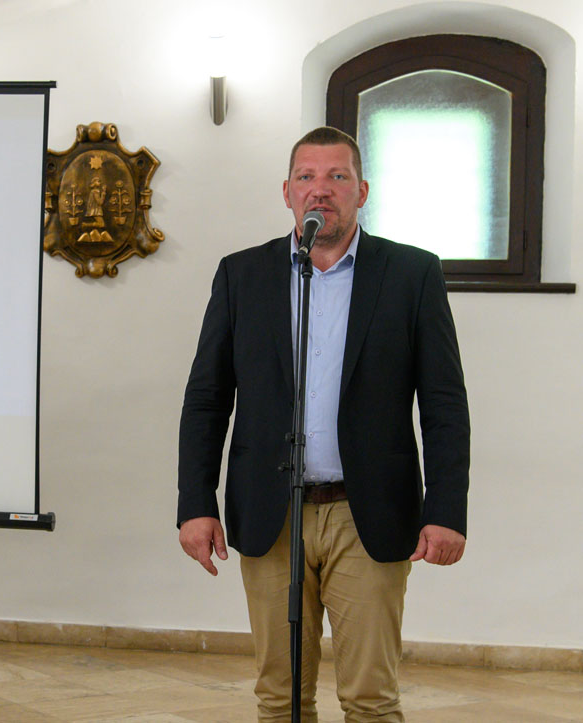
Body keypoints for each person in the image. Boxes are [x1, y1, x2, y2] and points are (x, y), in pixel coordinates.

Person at [177, 127, 469, 722]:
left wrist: (446, 509)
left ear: (362, 191)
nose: (321, 190)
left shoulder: (411, 274)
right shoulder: (242, 274)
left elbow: (443, 403)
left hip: (369, 513)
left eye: (337, 176)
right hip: (272, 512)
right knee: (280, 699)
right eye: (307, 177)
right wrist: (195, 503)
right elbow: (207, 398)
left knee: (370, 699)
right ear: (287, 192)